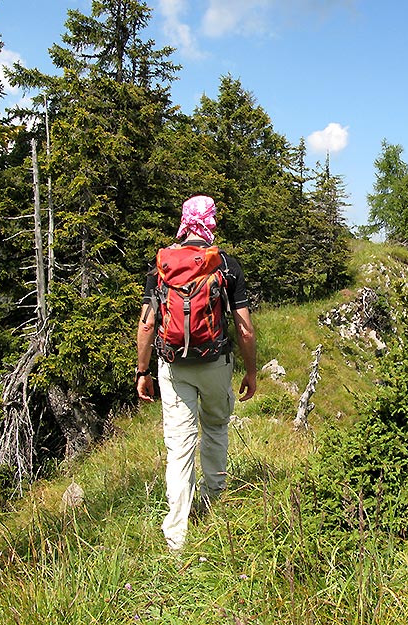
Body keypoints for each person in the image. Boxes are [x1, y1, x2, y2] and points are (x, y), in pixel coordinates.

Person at [135, 195, 257, 552]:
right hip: (216, 364)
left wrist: (142, 371)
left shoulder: (161, 266)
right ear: (211, 222)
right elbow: (245, 329)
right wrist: (250, 371)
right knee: (216, 427)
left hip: (173, 366)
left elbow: (146, 326)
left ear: (184, 222)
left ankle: (176, 534)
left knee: (179, 448)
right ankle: (214, 503)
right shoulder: (226, 265)